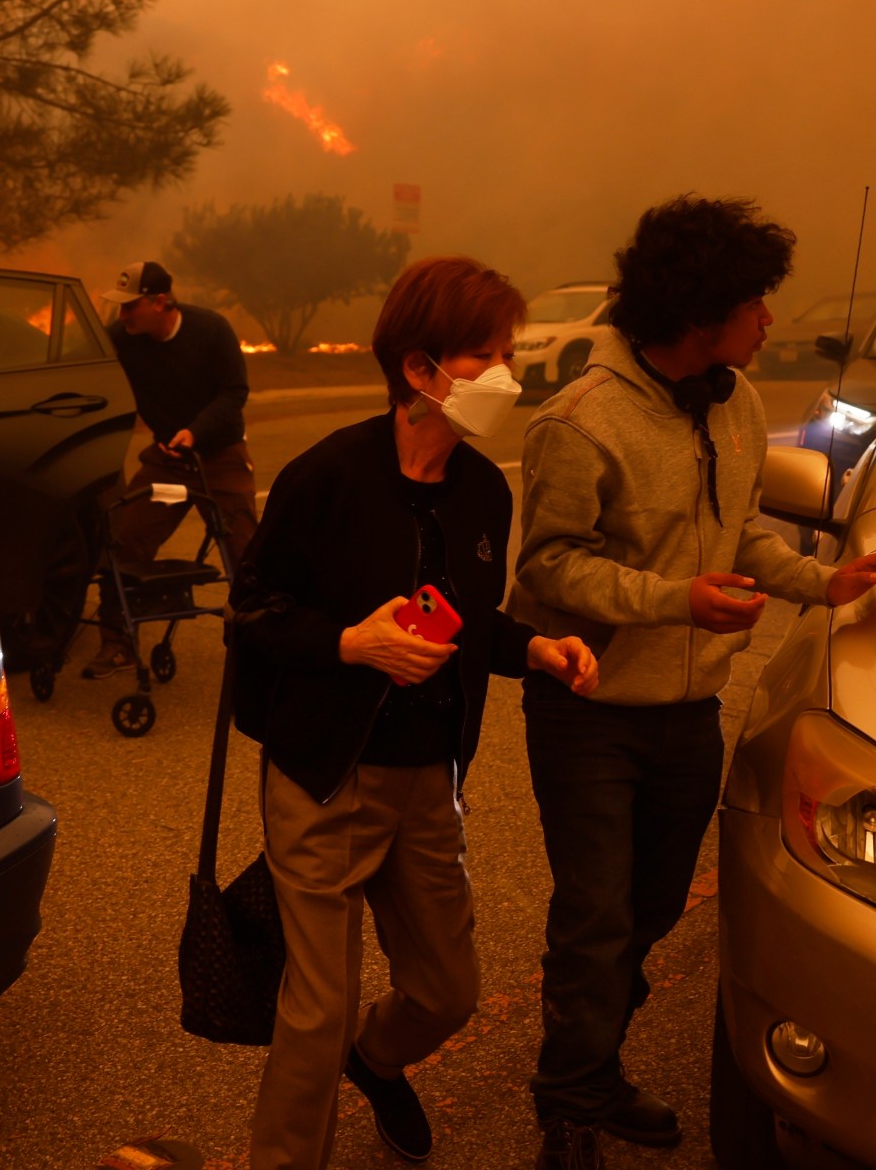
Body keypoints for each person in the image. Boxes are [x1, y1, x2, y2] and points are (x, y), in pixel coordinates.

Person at [511, 197, 876, 1167]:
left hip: (687, 714)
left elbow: (737, 534)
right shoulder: (579, 421)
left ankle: (594, 1066)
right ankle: (567, 1105)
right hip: (588, 713)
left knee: (647, 914)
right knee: (596, 920)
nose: (769, 322)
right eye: (756, 305)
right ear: (702, 316)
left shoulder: (731, 402)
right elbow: (547, 569)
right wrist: (673, 602)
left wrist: (827, 584)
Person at [228, 256, 600, 1170]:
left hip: (429, 781)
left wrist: (534, 651)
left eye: (507, 352)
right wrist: (351, 643)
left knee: (447, 992)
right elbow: (251, 609)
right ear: (420, 371)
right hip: (324, 776)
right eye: (485, 354)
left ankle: (378, 1055)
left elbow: (470, 621)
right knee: (315, 1011)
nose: (505, 374)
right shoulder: (327, 479)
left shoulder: (483, 490)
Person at [85, 260, 262, 679]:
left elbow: (235, 392)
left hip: (219, 455)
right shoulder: (121, 340)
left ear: (160, 301)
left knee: (247, 554)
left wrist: (195, 431)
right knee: (124, 540)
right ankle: (117, 641)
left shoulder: (211, 330)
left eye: (131, 307)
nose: (123, 316)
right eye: (120, 308)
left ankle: (258, 645)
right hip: (166, 459)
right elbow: (94, 379)